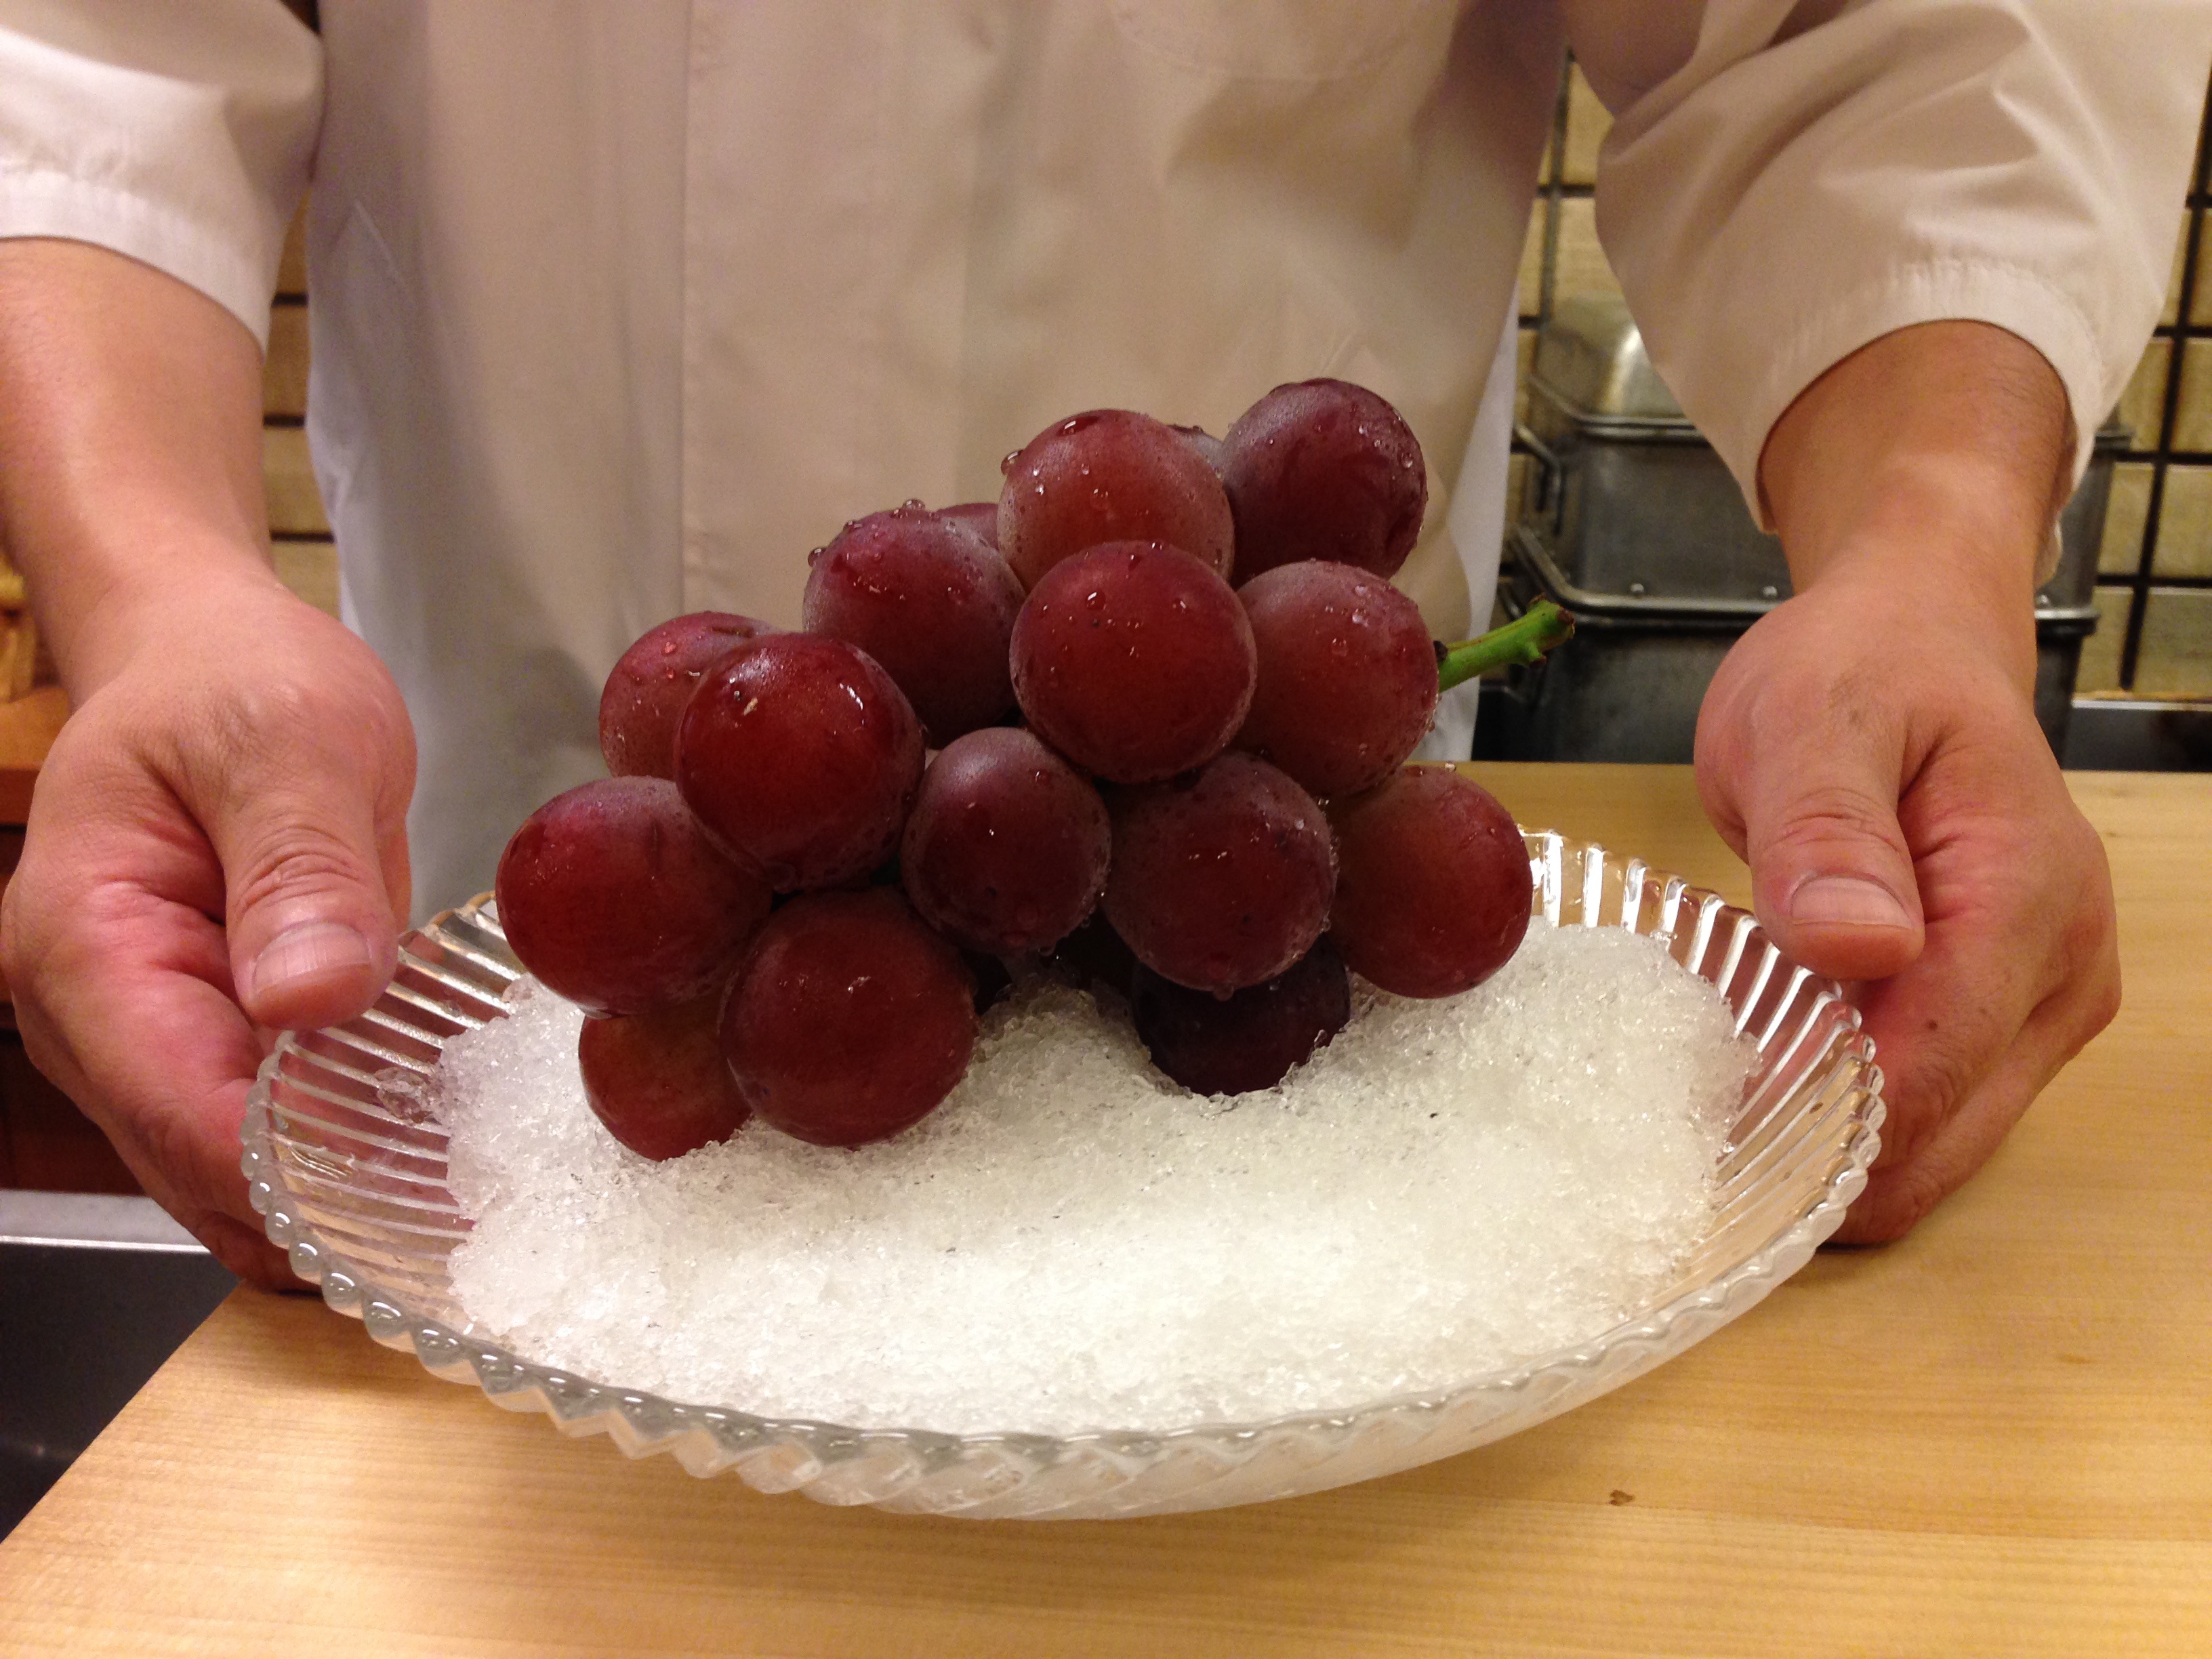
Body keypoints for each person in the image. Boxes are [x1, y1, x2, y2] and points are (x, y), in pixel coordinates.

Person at [0, 2, 2198, 1287]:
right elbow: (81, 50)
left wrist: (1925, 554)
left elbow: (1898, 45)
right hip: (540, 964)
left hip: (1275, 975)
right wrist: (158, 590)